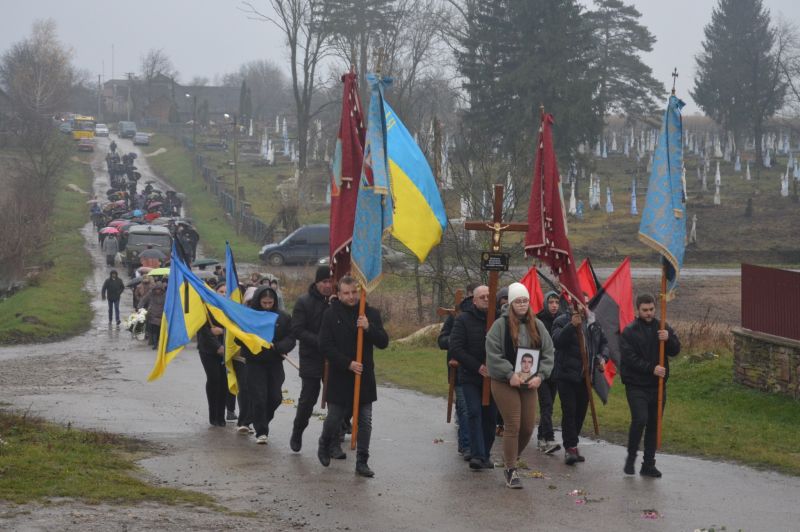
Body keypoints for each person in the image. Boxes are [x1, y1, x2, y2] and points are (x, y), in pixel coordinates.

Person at [317, 276, 389, 477]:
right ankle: (324, 443)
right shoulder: (330, 315)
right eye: (346, 293)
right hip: (341, 376)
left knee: (365, 420)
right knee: (334, 418)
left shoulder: (369, 313)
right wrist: (347, 363)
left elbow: (383, 342)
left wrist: (368, 328)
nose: (351, 297)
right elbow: (324, 345)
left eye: (354, 292)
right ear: (338, 294)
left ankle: (362, 461)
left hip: (364, 377)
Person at [485, 282, 554, 489]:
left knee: (527, 426)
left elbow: (549, 352)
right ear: (512, 303)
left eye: (525, 301)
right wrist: (508, 373)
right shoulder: (500, 325)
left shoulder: (537, 324)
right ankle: (511, 468)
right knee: (513, 424)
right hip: (505, 381)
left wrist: (541, 375)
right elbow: (492, 352)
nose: (523, 305)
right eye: (518, 301)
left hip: (529, 382)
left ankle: (512, 457)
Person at [620, 293, 681, 478]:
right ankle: (631, 458)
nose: (648, 313)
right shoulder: (629, 331)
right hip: (636, 385)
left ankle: (648, 464)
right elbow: (629, 359)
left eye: (651, 310)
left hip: (658, 386)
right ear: (637, 310)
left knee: (654, 424)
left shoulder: (662, 328)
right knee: (640, 419)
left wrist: (668, 338)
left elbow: (675, 350)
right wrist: (650, 368)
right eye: (645, 310)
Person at [551, 300, 610, 465]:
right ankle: (570, 447)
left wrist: (602, 358)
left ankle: (573, 444)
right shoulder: (561, 321)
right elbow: (557, 341)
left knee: (580, 413)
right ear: (571, 304)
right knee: (569, 411)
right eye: (578, 302)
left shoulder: (594, 323)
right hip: (566, 375)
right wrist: (571, 325)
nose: (582, 306)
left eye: (585, 303)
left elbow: (604, 344)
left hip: (586, 377)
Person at [239, 285, 295, 444]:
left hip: (275, 362)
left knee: (275, 397)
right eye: (264, 303)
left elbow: (291, 337)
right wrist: (248, 338)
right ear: (258, 301)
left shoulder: (283, 317)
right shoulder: (249, 316)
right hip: (254, 363)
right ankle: (261, 431)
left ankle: (261, 419)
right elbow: (239, 337)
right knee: (259, 397)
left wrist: (280, 346)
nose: (267, 306)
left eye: (270, 303)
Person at [450, 285, 496, 471]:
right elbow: (456, 348)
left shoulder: (498, 319)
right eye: (482, 296)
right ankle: (477, 455)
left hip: (493, 377)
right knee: (475, 412)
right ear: (474, 300)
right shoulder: (463, 320)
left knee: (490, 416)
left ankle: (486, 453)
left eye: (488, 296)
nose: (486, 299)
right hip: (470, 376)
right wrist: (478, 367)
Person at [290, 266, 334, 453]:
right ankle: (297, 431)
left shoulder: (336, 302)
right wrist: (320, 342)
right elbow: (298, 330)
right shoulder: (303, 302)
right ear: (317, 283)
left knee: (336, 399)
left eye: (331, 281)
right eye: (324, 282)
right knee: (308, 398)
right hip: (311, 356)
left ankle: (333, 440)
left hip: (333, 357)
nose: (328, 285)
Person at [437, 282, 480, 459]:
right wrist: (456, 343)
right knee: (464, 408)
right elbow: (442, 340)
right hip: (459, 370)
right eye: (469, 296)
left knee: (476, 410)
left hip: (479, 370)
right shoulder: (455, 316)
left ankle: (477, 445)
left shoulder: (484, 316)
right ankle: (467, 445)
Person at [535, 291, 563, 454]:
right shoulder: (538, 320)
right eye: (551, 302)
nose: (554, 305)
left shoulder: (561, 320)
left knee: (550, 405)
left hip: (556, 369)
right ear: (546, 303)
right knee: (545, 404)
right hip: (541, 369)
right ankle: (550, 438)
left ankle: (540, 437)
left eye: (556, 302)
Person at [197, 283, 229, 427]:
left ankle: (221, 415)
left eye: (226, 292)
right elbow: (203, 331)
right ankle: (213, 415)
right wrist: (217, 346)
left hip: (227, 350)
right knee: (214, 379)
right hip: (208, 350)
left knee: (224, 382)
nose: (223, 294)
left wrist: (222, 332)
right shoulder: (205, 308)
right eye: (221, 291)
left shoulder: (229, 309)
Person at [139, 280, 166, 349]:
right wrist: (139, 307)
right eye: (157, 289)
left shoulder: (164, 295)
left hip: (161, 315)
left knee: (159, 331)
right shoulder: (150, 294)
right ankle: (155, 343)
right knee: (153, 330)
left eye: (159, 289)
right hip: (152, 314)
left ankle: (157, 342)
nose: (158, 291)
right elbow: (144, 300)